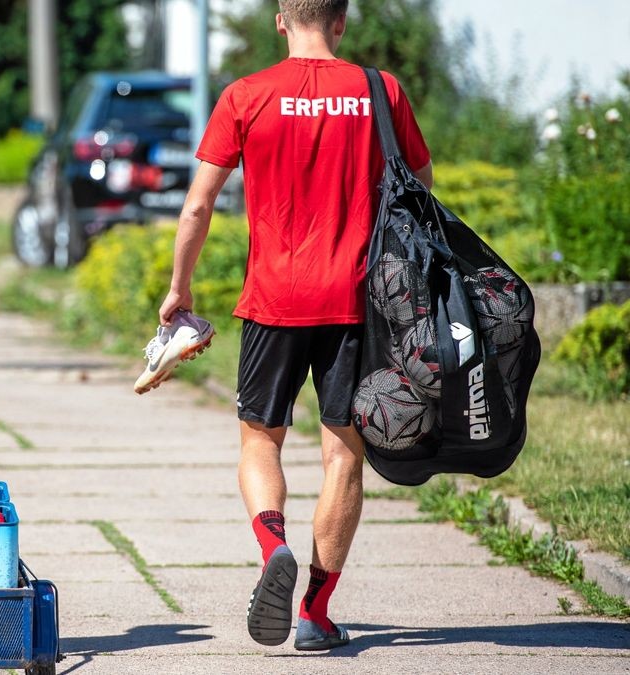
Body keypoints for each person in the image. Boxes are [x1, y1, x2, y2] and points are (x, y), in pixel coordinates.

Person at [157, 0, 432, 651]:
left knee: (261, 440)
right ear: (341, 21)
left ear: (282, 20)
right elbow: (421, 185)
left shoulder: (246, 95)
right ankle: (315, 611)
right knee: (343, 454)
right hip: (359, 303)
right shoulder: (380, 91)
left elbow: (198, 206)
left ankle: (272, 543)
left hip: (273, 300)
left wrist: (179, 289)